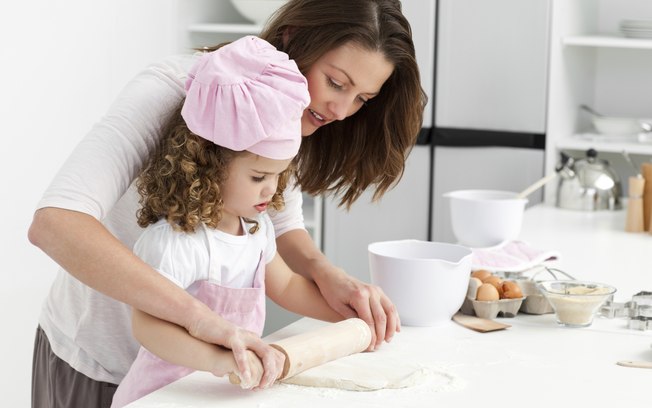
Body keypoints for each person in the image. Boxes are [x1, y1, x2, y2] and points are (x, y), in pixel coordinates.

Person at [28, 0, 425, 406]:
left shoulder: (291, 111)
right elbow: (57, 223)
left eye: (363, 98)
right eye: (337, 83)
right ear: (294, 38)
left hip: (198, 384)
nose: (341, 111)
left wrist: (330, 277)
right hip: (97, 364)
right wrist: (203, 324)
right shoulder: (176, 89)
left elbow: (279, 226)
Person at [109, 35, 343, 407]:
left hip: (223, 391)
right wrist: (220, 360)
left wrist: (350, 316)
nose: (270, 191)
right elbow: (148, 326)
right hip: (167, 395)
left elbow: (286, 286)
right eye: (258, 177)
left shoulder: (256, 230)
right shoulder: (177, 242)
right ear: (209, 166)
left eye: (277, 177)